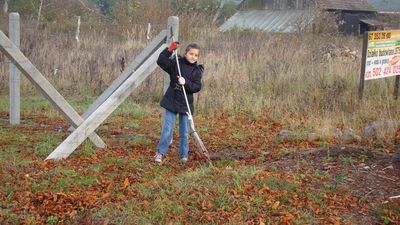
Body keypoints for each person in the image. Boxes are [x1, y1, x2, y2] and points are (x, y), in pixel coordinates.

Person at [154, 41, 204, 163]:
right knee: (168, 129)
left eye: (196, 55)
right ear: (185, 53)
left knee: (184, 132)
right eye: (191, 53)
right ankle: (160, 152)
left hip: (185, 104)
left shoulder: (197, 71)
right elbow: (161, 61)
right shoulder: (176, 63)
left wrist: (185, 82)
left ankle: (183, 154)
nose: (193, 57)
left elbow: (196, 87)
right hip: (172, 100)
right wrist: (169, 49)